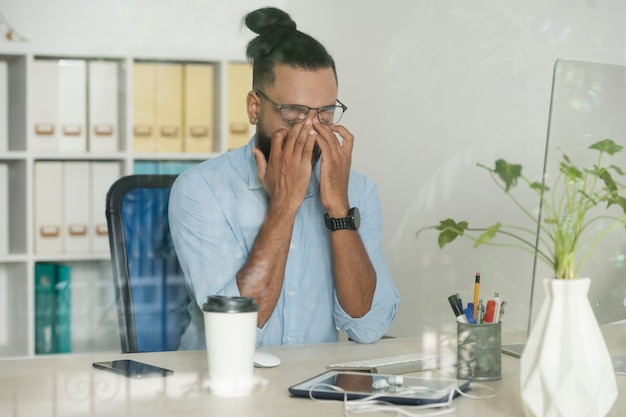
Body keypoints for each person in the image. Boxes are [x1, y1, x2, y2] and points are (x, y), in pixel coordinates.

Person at [169, 6, 399, 349]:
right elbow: (234, 331)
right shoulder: (201, 190)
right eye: (294, 112)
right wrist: (284, 205)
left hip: (312, 387)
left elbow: (368, 328)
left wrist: (339, 211)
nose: (312, 129)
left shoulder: (358, 192)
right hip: (221, 383)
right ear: (254, 108)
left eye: (325, 112)